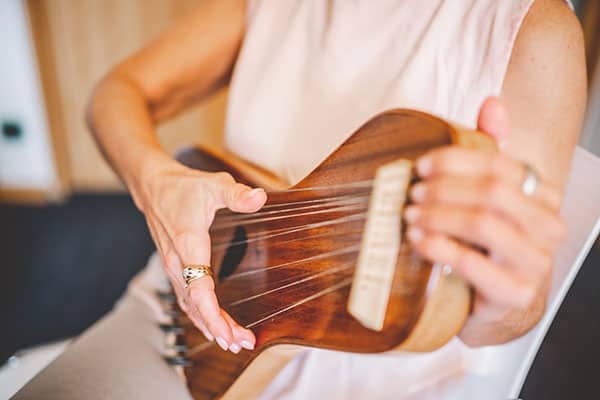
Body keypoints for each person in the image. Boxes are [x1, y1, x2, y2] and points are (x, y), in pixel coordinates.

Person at [15, 0, 585, 398]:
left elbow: (514, 312)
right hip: (196, 309)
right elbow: (116, 94)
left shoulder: (536, 31)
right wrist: (156, 182)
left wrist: (499, 295)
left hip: (373, 382)